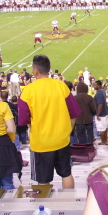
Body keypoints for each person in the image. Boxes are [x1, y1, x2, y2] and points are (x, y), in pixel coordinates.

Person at [18, 55, 81, 189]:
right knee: (67, 174)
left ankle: (45, 207)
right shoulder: (61, 86)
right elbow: (74, 113)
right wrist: (67, 130)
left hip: (41, 142)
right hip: (61, 140)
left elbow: (23, 120)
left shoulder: (28, 91)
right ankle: (70, 203)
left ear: (35, 71)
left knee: (42, 180)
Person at [0, 79, 20, 189]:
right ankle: (9, 206)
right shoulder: (2, 106)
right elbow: (12, 129)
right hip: (2, 145)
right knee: (7, 183)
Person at [93, 80, 108, 146]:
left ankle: (103, 141)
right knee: (104, 127)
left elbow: (100, 104)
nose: (94, 86)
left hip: (101, 114)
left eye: (95, 85)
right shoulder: (102, 91)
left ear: (99, 85)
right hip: (104, 113)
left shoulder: (99, 93)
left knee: (101, 128)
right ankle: (105, 141)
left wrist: (97, 115)